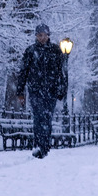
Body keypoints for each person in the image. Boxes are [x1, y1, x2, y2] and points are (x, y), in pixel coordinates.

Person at [16, 24, 67, 159]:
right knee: (38, 117)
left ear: (48, 35)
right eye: (39, 35)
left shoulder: (56, 51)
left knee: (47, 118)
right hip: (35, 90)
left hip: (51, 90)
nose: (41, 38)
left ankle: (44, 145)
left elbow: (62, 72)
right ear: (36, 36)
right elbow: (23, 72)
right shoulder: (30, 51)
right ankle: (38, 145)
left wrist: (62, 89)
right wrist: (20, 92)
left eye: (43, 35)